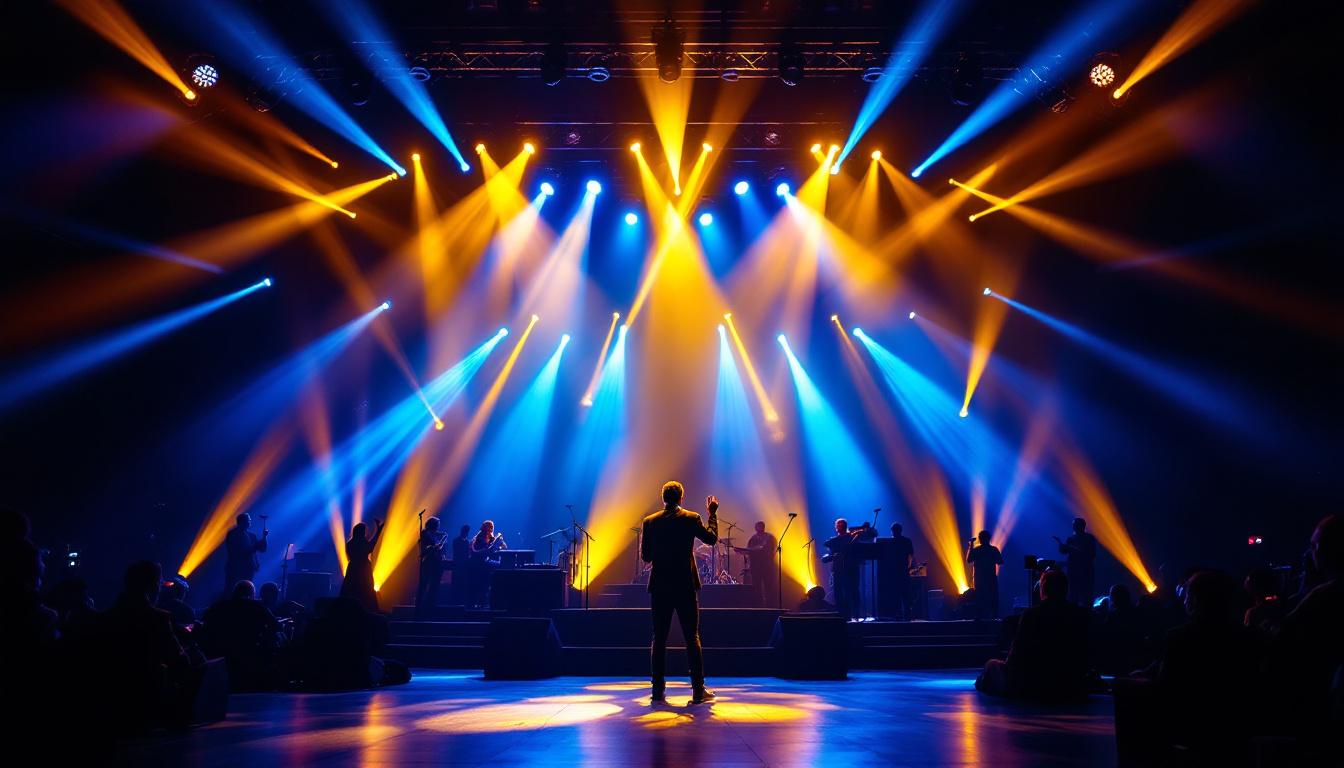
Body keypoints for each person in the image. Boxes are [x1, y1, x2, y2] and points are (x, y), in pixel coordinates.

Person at [641, 480, 719, 704]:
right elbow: (711, 539)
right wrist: (712, 514)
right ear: (681, 498)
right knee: (691, 636)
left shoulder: (650, 521)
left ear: (663, 497)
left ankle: (657, 690)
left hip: (660, 584)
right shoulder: (691, 518)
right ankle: (697, 690)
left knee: (659, 637)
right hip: (684, 584)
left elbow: (646, 556)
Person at [976, 569, 1090, 701]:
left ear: (1043, 588)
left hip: (1033, 684)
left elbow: (1018, 653)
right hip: (1071, 683)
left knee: (991, 664)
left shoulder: (1031, 615)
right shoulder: (1080, 614)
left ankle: (984, 682)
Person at [824, 519, 869, 621]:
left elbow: (871, 533)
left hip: (851, 569)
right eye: (839, 525)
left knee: (852, 592)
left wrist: (861, 528)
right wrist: (828, 557)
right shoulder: (834, 540)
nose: (840, 527)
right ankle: (843, 616)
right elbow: (829, 551)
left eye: (842, 525)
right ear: (836, 528)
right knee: (839, 593)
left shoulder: (852, 536)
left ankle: (855, 615)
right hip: (839, 570)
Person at [340, 519, 384, 613]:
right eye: (364, 531)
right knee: (365, 591)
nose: (365, 534)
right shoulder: (359, 543)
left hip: (353, 568)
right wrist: (378, 531)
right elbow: (370, 547)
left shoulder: (350, 543)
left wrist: (378, 531)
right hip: (362, 569)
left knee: (350, 590)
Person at [1054, 518, 1098, 605]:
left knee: (1086, 595)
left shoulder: (1089, 538)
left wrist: (1072, 549)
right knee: (1073, 594)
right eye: (1073, 524)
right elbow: (1063, 551)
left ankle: (1085, 614)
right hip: (1073, 571)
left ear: (1082, 526)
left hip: (1085, 571)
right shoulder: (1071, 538)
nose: (1073, 526)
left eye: (1075, 524)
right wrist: (1060, 544)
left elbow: (1091, 554)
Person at [224, 513, 268, 596]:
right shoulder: (233, 534)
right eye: (249, 520)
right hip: (236, 569)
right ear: (242, 521)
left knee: (247, 590)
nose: (250, 521)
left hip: (249, 568)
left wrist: (264, 537)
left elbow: (262, 549)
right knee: (234, 590)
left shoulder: (251, 535)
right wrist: (255, 546)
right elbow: (241, 551)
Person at [966, 530, 1003, 619]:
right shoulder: (993, 550)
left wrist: (971, 546)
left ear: (980, 539)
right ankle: (994, 619)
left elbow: (969, 560)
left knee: (980, 599)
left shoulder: (977, 550)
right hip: (990, 579)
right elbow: (1000, 561)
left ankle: (980, 619)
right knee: (992, 599)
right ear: (989, 539)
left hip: (980, 580)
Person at [469, 520, 507, 607]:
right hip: (478, 564)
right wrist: (484, 550)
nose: (492, 528)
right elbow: (474, 551)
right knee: (481, 583)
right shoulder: (478, 537)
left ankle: (487, 601)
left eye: (492, 527)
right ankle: (478, 602)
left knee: (499, 568)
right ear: (485, 527)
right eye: (490, 526)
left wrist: (499, 546)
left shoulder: (493, 538)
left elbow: (504, 547)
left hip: (486, 562)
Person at [416, 517, 447, 618]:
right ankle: (420, 609)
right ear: (433, 525)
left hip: (436, 562)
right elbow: (425, 548)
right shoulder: (426, 534)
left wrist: (441, 545)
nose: (439, 527)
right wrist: (435, 547)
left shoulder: (434, 535)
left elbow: (438, 548)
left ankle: (429, 607)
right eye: (437, 525)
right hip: (429, 562)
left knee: (434, 586)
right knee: (425, 585)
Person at [885, 522, 916, 621]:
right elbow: (911, 555)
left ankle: (899, 615)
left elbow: (910, 555)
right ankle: (906, 615)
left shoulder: (891, 542)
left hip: (896, 571)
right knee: (905, 594)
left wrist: (909, 566)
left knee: (898, 594)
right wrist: (909, 566)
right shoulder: (906, 541)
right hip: (902, 570)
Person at [742, 521, 777, 608]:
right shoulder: (753, 538)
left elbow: (772, 550)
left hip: (767, 566)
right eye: (757, 526)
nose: (758, 528)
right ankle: (758, 606)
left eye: (759, 526)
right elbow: (749, 551)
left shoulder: (769, 537)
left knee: (769, 587)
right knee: (756, 587)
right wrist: (742, 552)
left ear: (763, 527)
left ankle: (770, 607)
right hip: (756, 567)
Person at [450, 524, 471, 605]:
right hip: (458, 566)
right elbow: (459, 553)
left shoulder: (466, 541)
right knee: (456, 584)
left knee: (461, 585)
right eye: (466, 531)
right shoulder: (457, 541)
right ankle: (454, 603)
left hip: (463, 567)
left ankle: (459, 602)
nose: (466, 533)